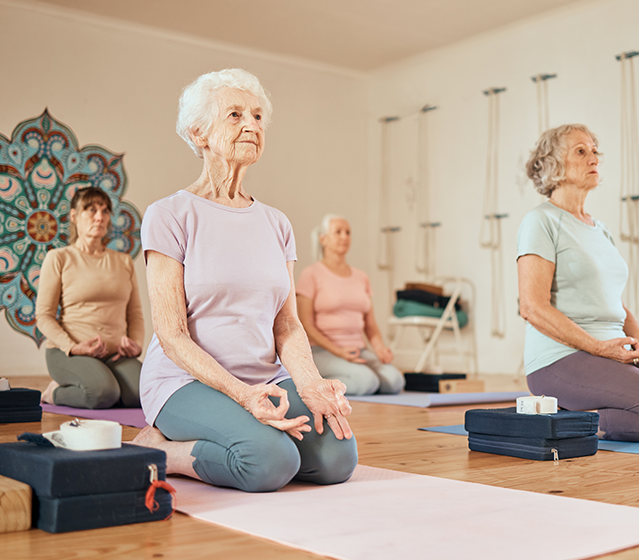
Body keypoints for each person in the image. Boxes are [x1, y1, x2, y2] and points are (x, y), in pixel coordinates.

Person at [131, 68, 357, 493]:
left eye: (257, 116)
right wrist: (242, 395)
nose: (251, 124)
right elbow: (173, 334)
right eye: (234, 115)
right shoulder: (169, 214)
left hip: (263, 377)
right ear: (199, 133)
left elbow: (286, 325)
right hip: (185, 381)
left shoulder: (276, 223)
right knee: (269, 462)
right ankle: (163, 451)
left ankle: (243, 428)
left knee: (336, 459)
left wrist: (311, 384)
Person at [517, 124, 639, 443]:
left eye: (595, 150)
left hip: (610, 352)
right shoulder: (540, 222)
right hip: (558, 359)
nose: (593, 157)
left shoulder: (600, 229)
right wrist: (598, 347)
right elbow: (532, 307)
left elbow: (614, 305)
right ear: (552, 163)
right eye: (581, 151)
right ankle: (571, 420)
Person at [35, 186, 144, 409]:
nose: (99, 217)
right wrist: (74, 347)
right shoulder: (59, 258)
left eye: (105, 211)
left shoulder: (123, 262)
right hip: (68, 353)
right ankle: (53, 392)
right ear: (74, 216)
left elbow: (135, 314)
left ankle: (109, 383)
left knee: (145, 394)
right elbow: (44, 316)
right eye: (91, 210)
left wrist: (136, 345)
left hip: (115, 355)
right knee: (102, 393)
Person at [296, 215, 404, 396]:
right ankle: (316, 387)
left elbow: (370, 326)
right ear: (323, 239)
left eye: (348, 232)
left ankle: (359, 378)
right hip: (322, 352)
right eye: (338, 232)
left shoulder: (361, 277)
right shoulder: (311, 274)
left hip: (357, 351)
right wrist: (338, 351)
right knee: (366, 382)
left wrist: (379, 349)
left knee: (395, 381)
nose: (344, 236)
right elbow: (306, 325)